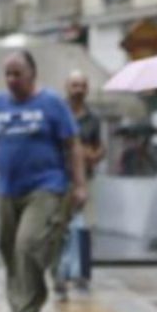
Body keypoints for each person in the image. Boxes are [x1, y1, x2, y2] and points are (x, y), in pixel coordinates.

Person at [0, 51, 88, 312]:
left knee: (27, 246)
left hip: (46, 188)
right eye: (8, 74)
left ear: (32, 73)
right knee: (9, 250)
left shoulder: (52, 104)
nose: (11, 80)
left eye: (17, 74)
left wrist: (79, 185)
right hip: (6, 189)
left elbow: (73, 146)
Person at [53, 71, 103, 300]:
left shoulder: (93, 119)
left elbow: (99, 148)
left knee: (83, 227)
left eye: (82, 85)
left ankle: (82, 273)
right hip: (61, 177)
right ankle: (60, 274)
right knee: (59, 226)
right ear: (67, 87)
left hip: (87, 178)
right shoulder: (58, 113)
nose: (78, 89)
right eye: (74, 85)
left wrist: (92, 155)